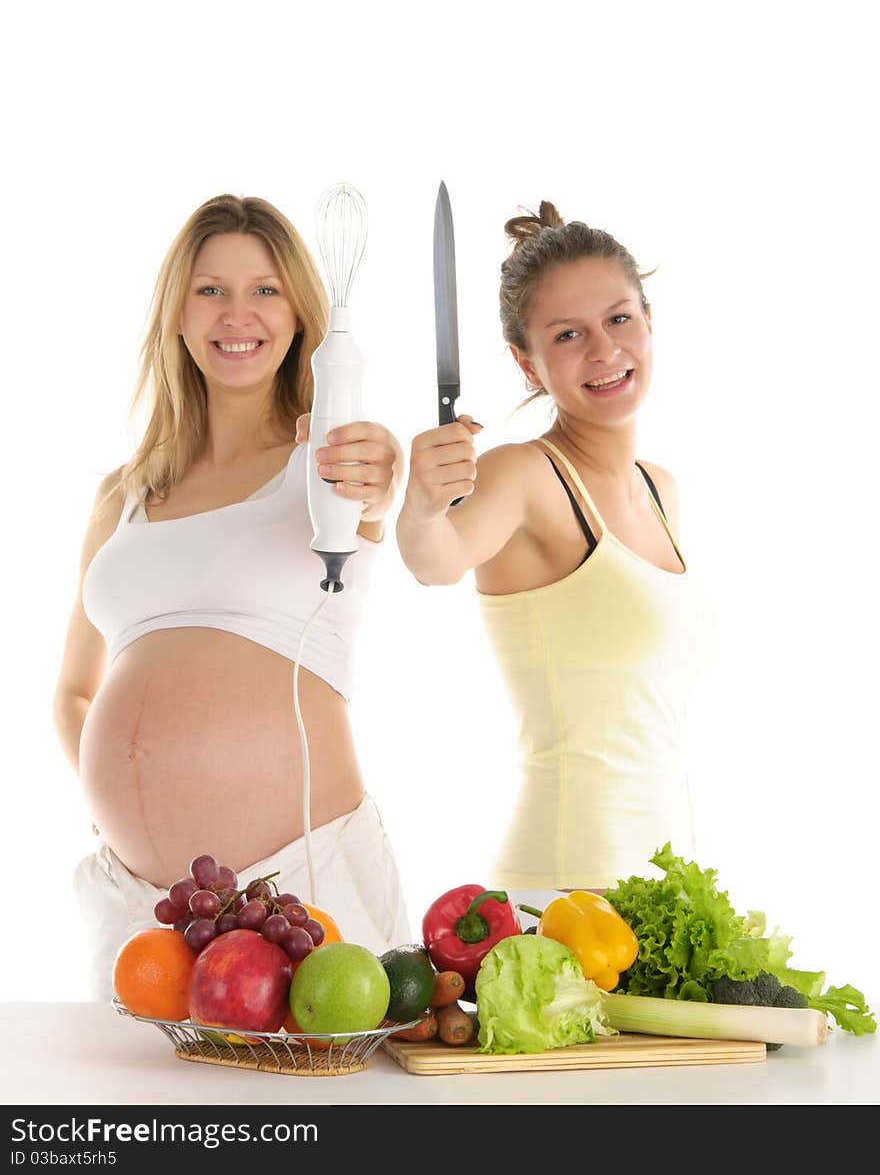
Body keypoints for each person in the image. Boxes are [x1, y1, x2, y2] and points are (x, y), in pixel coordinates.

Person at [53, 193, 411, 1000]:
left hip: (299, 884)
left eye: (266, 289)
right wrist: (122, 802)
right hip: (143, 909)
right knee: (139, 1124)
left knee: (327, 1119)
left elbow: (377, 479)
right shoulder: (125, 493)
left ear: (299, 315)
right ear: (177, 311)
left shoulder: (330, 461)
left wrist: (379, 467)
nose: (237, 312)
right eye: (211, 288)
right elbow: (75, 690)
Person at [396, 201, 718, 918]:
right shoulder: (523, 475)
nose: (603, 349)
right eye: (567, 334)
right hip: (568, 889)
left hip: (667, 888)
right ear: (527, 363)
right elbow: (436, 557)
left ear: (649, 321)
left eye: (619, 318)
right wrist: (422, 503)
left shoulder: (660, 489)